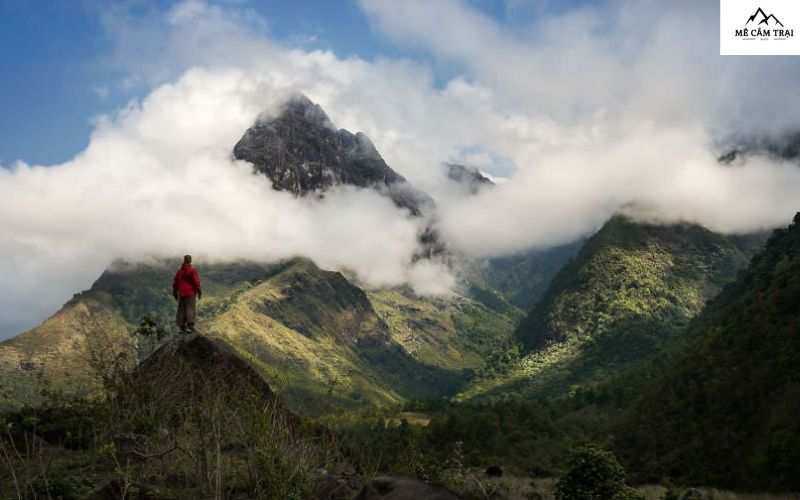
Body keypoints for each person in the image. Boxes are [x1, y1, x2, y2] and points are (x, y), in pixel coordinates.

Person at [173, 254, 202, 334]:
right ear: (190, 261)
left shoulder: (179, 272)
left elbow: (175, 283)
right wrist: (199, 292)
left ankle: (181, 328)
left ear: (184, 260)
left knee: (181, 310)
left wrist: (175, 293)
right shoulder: (192, 270)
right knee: (190, 309)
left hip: (181, 293)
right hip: (190, 293)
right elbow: (196, 282)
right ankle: (189, 326)